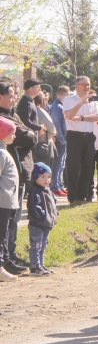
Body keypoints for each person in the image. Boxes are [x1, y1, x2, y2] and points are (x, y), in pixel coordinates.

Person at [0, 79, 36, 270]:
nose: (15, 98)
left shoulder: (13, 114)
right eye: (11, 94)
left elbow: (31, 136)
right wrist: (26, 134)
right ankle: (5, 258)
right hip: (9, 173)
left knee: (15, 216)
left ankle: (10, 254)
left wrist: (28, 134)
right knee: (7, 218)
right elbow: (25, 136)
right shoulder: (3, 118)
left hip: (22, 170)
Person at [62, 76, 98, 203]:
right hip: (75, 136)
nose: (87, 87)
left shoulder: (93, 101)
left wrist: (83, 117)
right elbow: (69, 115)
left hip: (89, 136)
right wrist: (81, 103)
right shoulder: (69, 99)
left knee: (88, 166)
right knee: (74, 167)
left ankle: (83, 195)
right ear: (77, 86)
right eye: (84, 84)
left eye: (88, 84)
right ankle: (73, 197)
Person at [27, 162, 58, 276]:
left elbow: (53, 204)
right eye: (43, 176)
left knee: (43, 246)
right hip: (37, 225)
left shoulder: (48, 190)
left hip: (46, 224)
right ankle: (34, 267)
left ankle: (41, 264)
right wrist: (43, 215)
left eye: (49, 177)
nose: (47, 180)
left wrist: (55, 214)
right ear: (35, 177)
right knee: (36, 245)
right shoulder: (35, 191)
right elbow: (35, 207)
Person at [0, 116, 20, 281]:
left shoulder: (4, 150)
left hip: (6, 201)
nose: (14, 136)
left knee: (3, 234)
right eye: (11, 133)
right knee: (0, 235)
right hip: (2, 202)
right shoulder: (1, 153)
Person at [49, 86, 69, 196]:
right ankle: (54, 185)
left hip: (63, 139)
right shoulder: (57, 106)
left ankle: (59, 184)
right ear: (63, 94)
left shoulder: (61, 105)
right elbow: (56, 123)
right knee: (57, 163)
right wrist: (62, 139)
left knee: (62, 163)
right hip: (60, 139)